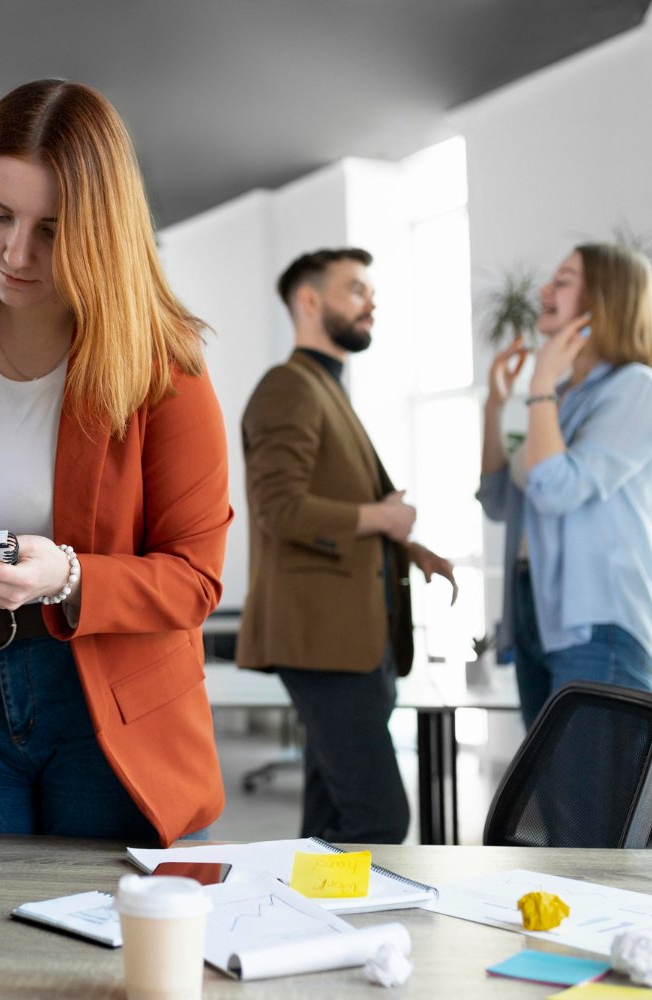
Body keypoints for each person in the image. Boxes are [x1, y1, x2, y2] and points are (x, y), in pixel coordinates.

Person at [0, 79, 231, 847]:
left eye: (53, 229)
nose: (15, 252)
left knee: (103, 952)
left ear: (103, 231)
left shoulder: (165, 369)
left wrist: (69, 576)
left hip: (114, 712)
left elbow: (196, 579)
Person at [236, 247, 456, 844]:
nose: (371, 302)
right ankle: (373, 936)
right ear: (310, 301)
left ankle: (314, 928)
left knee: (331, 819)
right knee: (380, 817)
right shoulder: (289, 386)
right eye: (356, 289)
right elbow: (281, 510)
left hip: (347, 641)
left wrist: (405, 542)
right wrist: (381, 518)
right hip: (322, 643)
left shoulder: (323, 386)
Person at [479, 244, 652, 729]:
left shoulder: (636, 389)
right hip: (539, 615)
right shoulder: (563, 397)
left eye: (562, 280)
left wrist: (541, 380)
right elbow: (501, 502)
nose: (544, 289)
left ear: (603, 300)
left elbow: (555, 490)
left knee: (586, 804)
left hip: (600, 626)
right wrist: (494, 407)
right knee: (549, 803)